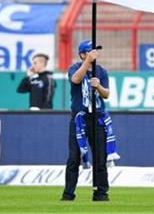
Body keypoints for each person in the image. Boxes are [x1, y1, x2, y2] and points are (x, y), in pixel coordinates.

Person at [61, 40, 111, 202]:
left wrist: (98, 86)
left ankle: (101, 192)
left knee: (100, 158)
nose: (94, 54)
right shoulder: (75, 68)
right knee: (74, 157)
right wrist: (87, 63)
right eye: (90, 51)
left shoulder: (101, 71)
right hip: (79, 118)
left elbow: (106, 94)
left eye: (95, 51)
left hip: (97, 118)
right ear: (82, 54)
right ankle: (68, 194)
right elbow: (75, 80)